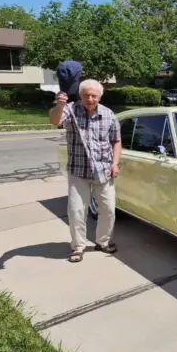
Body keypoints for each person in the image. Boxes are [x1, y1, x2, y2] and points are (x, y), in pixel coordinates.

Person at [49, 78, 121, 263]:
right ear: (80, 95)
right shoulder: (70, 109)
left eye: (94, 95)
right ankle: (78, 247)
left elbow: (116, 141)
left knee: (108, 210)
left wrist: (115, 163)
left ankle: (103, 242)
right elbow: (54, 120)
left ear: (100, 96)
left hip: (103, 171)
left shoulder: (108, 114)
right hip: (78, 172)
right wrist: (59, 104)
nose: (90, 99)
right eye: (86, 95)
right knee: (76, 211)